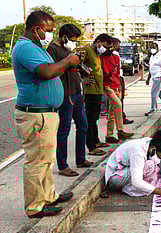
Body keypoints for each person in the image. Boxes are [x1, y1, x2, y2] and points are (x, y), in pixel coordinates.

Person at [12, 11, 79, 218]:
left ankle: (48, 196)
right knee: (37, 161)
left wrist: (68, 65)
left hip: (46, 113)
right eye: (48, 31)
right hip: (36, 115)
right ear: (36, 29)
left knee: (46, 159)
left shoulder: (36, 47)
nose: (51, 35)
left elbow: (52, 70)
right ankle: (35, 206)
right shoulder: (25, 48)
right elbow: (46, 72)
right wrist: (67, 61)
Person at [46, 24, 93, 177]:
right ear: (65, 36)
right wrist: (68, 63)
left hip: (77, 92)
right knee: (64, 130)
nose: (74, 42)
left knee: (83, 126)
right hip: (66, 94)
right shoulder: (53, 50)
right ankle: (63, 165)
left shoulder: (67, 50)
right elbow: (51, 70)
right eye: (73, 39)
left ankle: (80, 159)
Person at [103, 129, 161, 201]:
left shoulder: (154, 144)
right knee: (149, 165)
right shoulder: (138, 152)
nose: (160, 159)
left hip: (126, 170)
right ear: (154, 149)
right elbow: (136, 181)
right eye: (160, 156)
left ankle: (139, 187)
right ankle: (128, 189)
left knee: (155, 168)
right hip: (115, 176)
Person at [83, 34, 113, 155]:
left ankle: (96, 141)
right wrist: (83, 78)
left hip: (97, 90)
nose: (105, 49)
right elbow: (76, 64)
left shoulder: (97, 54)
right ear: (99, 42)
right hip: (90, 91)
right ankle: (91, 146)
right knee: (90, 119)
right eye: (105, 46)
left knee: (95, 118)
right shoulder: (86, 50)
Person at [101, 38, 134, 144]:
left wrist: (119, 87)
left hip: (115, 85)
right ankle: (120, 130)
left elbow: (117, 73)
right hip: (107, 85)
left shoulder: (115, 57)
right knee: (118, 105)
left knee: (112, 111)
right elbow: (106, 73)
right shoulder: (101, 58)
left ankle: (109, 134)